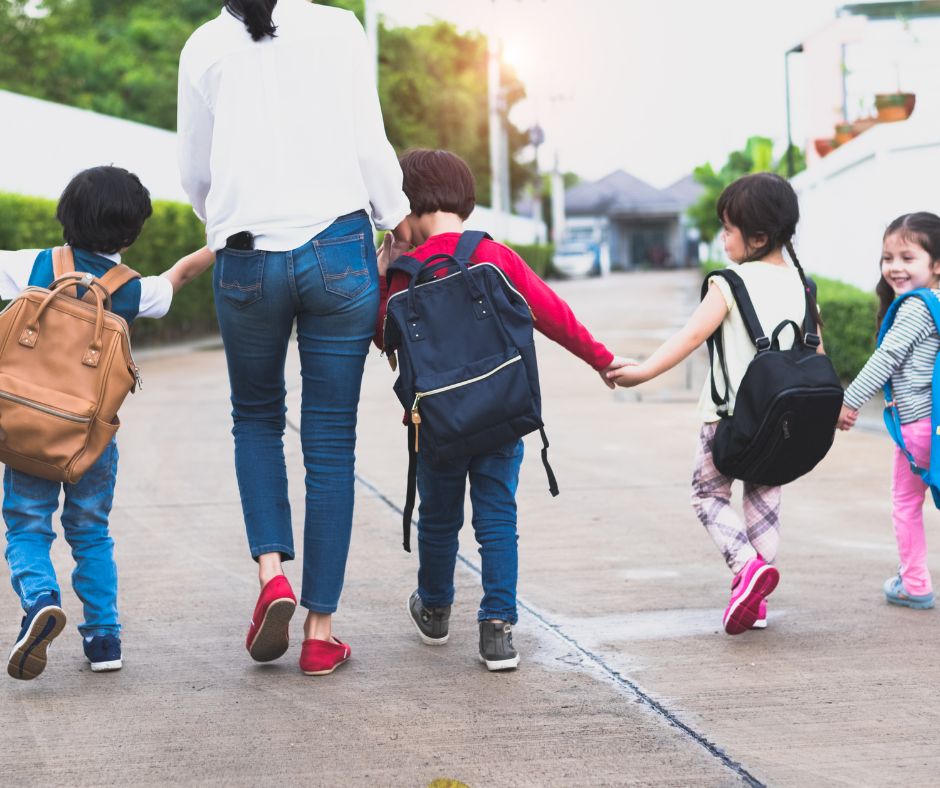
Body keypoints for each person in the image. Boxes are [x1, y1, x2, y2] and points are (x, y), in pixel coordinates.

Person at [177, 0, 412, 676]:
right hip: (336, 247)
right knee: (331, 440)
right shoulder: (340, 28)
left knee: (255, 419)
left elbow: (195, 172)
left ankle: (271, 576)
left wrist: (223, 218)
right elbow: (369, 143)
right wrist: (395, 218)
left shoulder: (204, 45)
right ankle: (319, 629)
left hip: (246, 255)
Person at [375, 149, 625, 671]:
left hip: (436, 425)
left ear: (410, 203)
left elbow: (382, 337)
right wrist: (601, 359)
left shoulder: (404, 273)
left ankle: (436, 611)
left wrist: (384, 268)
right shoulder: (495, 256)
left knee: (438, 519)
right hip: (501, 413)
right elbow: (552, 314)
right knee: (497, 515)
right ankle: (497, 629)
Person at [0, 165, 211, 680]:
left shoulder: (34, 266)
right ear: (133, 232)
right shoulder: (134, 290)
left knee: (26, 525)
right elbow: (179, 275)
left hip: (27, 428)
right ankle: (103, 640)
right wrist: (222, 240)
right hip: (89, 440)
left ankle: (41, 601)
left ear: (64, 214)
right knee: (91, 533)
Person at [607, 173, 822, 634]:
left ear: (758, 236)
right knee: (764, 501)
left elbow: (690, 336)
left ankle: (747, 568)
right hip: (782, 421)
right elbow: (816, 354)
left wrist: (642, 372)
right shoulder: (804, 286)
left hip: (727, 419)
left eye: (729, 229)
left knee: (708, 496)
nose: (723, 238)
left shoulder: (728, 283)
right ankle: (758, 602)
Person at [838, 212, 940, 611]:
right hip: (934, 425)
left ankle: (914, 582)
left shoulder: (917, 308)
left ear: (936, 264)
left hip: (918, 426)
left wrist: (850, 400)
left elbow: (888, 358)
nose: (894, 267)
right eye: (887, 258)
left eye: (907, 257)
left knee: (905, 503)